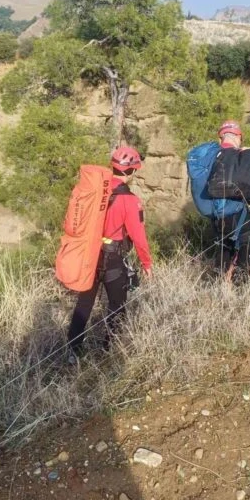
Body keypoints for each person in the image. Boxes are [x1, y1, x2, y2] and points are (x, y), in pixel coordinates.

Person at [67, 146, 152, 356]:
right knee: (117, 304)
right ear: (131, 171)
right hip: (113, 258)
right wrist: (147, 263)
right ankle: (109, 351)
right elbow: (139, 236)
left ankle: (72, 352)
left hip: (90, 254)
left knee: (84, 303)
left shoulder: (96, 192)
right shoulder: (129, 200)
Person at [212, 121, 250, 276]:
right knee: (246, 248)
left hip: (218, 214)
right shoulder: (243, 155)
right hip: (242, 212)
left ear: (221, 139)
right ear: (238, 137)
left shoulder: (214, 156)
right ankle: (242, 286)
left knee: (223, 248)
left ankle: (219, 286)